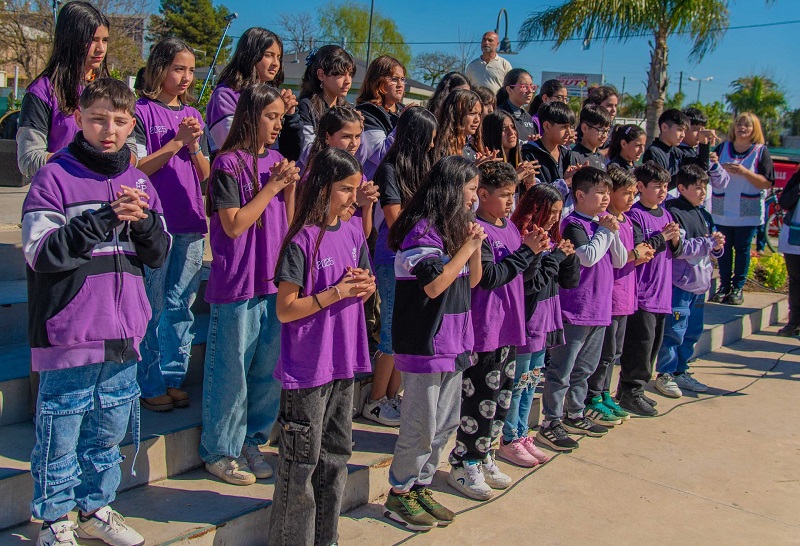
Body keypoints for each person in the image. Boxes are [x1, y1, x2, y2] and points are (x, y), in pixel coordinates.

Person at [23, 78, 170, 546]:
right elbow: (42, 252)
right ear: (79, 119)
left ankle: (95, 507)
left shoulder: (141, 182)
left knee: (108, 429)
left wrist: (144, 222)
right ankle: (54, 519)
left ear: (132, 124)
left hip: (124, 329)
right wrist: (105, 216)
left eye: (120, 121)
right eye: (97, 119)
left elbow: (159, 253)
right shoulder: (54, 176)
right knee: (60, 427)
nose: (109, 131)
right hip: (70, 328)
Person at [269, 147, 376, 545]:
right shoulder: (301, 240)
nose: (353, 197)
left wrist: (365, 287)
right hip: (308, 369)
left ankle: (325, 538)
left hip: (344, 361)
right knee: (301, 464)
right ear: (323, 188)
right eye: (345, 189)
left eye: (356, 188)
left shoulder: (353, 232)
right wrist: (335, 293)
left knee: (335, 458)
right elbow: (285, 309)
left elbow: (364, 286)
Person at [200, 84, 300, 485]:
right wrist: (272, 186)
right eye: (270, 116)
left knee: (266, 372)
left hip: (273, 281)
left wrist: (288, 189)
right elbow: (234, 224)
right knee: (232, 371)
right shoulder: (227, 162)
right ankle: (219, 450)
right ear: (249, 115)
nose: (277, 125)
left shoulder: (276, 161)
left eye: (281, 118)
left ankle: (251, 440)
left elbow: (289, 224)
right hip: (238, 281)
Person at [383, 156, 484, 531]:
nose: (475, 197)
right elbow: (434, 285)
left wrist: (474, 246)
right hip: (425, 342)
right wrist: (466, 247)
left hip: (455, 341)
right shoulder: (422, 232)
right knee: (420, 426)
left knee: (445, 423)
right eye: (471, 189)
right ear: (452, 189)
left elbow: (473, 281)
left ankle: (420, 486)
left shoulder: (456, 230)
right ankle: (399, 493)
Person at [446, 161, 549, 500]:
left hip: (509, 326)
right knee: (479, 401)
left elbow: (522, 274)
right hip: (485, 330)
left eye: (513, 194)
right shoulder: (476, 230)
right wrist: (526, 251)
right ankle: (464, 462)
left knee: (501, 398)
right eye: (504, 195)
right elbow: (488, 278)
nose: (510, 202)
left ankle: (486, 454)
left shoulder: (511, 227)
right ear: (483, 195)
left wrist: (536, 251)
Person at [134, 37, 210, 412]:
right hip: (156, 221)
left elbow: (207, 173)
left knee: (182, 304)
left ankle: (172, 377)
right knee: (152, 305)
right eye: (179, 68)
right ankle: (148, 382)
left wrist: (193, 146)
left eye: (191, 70)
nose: (186, 77)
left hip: (191, 220)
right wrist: (176, 143)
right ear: (160, 68)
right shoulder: (140, 111)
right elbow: (136, 168)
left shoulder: (193, 113)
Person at [537, 167, 628, 450]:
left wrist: (611, 231)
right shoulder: (572, 224)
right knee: (562, 370)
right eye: (599, 192)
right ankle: (551, 421)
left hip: (599, 308)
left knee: (584, 368)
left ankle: (575, 413)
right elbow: (587, 257)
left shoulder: (602, 225)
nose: (606, 198)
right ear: (580, 195)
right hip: (575, 308)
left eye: (607, 192)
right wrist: (605, 230)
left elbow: (620, 260)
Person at [365, 107, 438, 427]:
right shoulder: (389, 169)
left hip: (416, 257)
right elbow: (394, 221)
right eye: (430, 138)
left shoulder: (422, 169)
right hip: (392, 258)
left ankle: (392, 396)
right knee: (391, 333)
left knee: (404, 334)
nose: (432, 145)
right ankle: (375, 400)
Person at [499, 183, 579, 467]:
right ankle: (509, 438)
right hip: (527, 321)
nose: (555, 219)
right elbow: (529, 284)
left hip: (545, 320)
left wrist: (568, 258)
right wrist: (554, 258)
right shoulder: (524, 239)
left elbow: (569, 281)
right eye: (551, 212)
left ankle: (522, 434)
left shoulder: (550, 239)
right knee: (518, 383)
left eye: (558, 212)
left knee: (531, 382)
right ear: (534, 209)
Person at [584, 166, 654, 424]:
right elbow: (617, 259)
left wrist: (642, 255)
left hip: (626, 296)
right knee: (603, 354)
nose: (631, 198)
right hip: (610, 297)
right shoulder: (605, 221)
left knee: (614, 353)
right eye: (626, 193)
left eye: (634, 193)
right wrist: (636, 255)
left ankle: (605, 393)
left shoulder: (628, 220)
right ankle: (594, 396)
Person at [17, 1, 112, 179]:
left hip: (104, 192)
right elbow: (28, 159)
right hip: (58, 192)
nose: (101, 48)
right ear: (70, 39)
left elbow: (131, 151)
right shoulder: (42, 91)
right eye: (92, 40)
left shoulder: (111, 90)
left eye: (105, 40)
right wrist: (82, 161)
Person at [617, 161, 682, 416]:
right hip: (642, 292)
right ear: (640, 187)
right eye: (657, 186)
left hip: (662, 292)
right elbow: (638, 249)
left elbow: (675, 250)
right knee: (639, 345)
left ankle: (634, 389)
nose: (663, 191)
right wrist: (662, 237)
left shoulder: (666, 215)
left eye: (665, 186)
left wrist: (675, 238)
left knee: (653, 344)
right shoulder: (634, 214)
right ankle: (630, 390)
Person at [654, 165, 725, 398]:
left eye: (705, 187)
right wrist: (708, 243)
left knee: (692, 331)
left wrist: (717, 245)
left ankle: (680, 370)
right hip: (680, 284)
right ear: (682, 188)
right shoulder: (673, 212)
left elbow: (710, 246)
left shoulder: (704, 214)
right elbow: (680, 248)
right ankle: (665, 373)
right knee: (674, 331)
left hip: (700, 284)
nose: (703, 192)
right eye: (697, 188)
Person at [204, 27, 301, 160]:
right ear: (250, 55)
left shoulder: (273, 97)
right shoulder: (226, 94)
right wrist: (277, 113)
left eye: (278, 57)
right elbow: (230, 143)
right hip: (235, 170)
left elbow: (291, 153)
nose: (275, 63)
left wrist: (289, 117)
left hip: (268, 169)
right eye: (268, 55)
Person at [709, 112, 775, 306]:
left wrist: (745, 172)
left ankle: (738, 288)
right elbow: (708, 169)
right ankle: (724, 286)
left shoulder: (760, 151)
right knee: (723, 248)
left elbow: (767, 182)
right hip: (722, 208)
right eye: (739, 124)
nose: (742, 128)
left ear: (754, 129)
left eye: (747, 125)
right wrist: (718, 165)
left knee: (743, 249)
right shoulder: (723, 148)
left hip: (747, 210)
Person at [297, 45, 356, 155]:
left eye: (350, 74)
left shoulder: (348, 109)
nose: (348, 81)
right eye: (341, 74)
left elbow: (359, 154)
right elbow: (307, 152)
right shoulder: (306, 106)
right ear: (321, 75)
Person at [355, 55, 407, 179]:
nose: (400, 84)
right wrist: (405, 122)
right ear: (378, 82)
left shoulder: (403, 110)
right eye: (394, 79)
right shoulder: (367, 112)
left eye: (402, 79)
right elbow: (380, 154)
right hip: (377, 184)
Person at [521, 101, 579, 207]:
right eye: (564, 127)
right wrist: (565, 183)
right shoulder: (529, 154)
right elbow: (535, 193)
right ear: (547, 126)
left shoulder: (567, 154)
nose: (569, 132)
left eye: (570, 127)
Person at [481, 110, 538, 192]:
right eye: (504, 129)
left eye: (513, 127)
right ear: (492, 133)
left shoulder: (520, 163)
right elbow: (495, 194)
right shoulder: (486, 167)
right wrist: (516, 177)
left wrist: (529, 183)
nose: (511, 132)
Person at [641, 109, 693, 184]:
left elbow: (701, 166)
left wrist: (704, 143)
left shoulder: (676, 151)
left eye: (684, 131)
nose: (683, 135)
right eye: (679, 130)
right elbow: (658, 184)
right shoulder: (653, 152)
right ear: (664, 127)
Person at [777, 170, 800, 336]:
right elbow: (784, 202)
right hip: (794, 238)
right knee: (796, 281)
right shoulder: (798, 177)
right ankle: (794, 322)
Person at [433, 88, 483, 160]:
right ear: (456, 114)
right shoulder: (440, 147)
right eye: (472, 113)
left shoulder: (473, 147)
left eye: (479, 114)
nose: (477, 120)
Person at [496, 69, 537, 143]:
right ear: (509, 90)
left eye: (532, 87)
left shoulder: (527, 117)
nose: (530, 91)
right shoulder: (499, 114)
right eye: (524, 87)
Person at [572, 104, 612, 170]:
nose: (605, 135)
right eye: (601, 130)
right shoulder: (574, 156)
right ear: (584, 128)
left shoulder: (601, 158)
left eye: (607, 131)